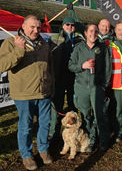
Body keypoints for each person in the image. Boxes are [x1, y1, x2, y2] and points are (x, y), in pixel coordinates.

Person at [0, 15, 53, 170]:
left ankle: (43, 150)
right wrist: (18, 50)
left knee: (45, 124)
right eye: (32, 27)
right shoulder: (11, 42)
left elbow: (49, 68)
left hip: (43, 93)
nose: (35, 30)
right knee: (26, 126)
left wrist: (52, 87)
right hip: (24, 94)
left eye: (38, 27)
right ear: (23, 26)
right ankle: (27, 155)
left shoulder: (44, 44)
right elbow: (2, 65)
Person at [68, 24, 111, 151]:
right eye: (91, 31)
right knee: (86, 115)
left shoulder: (103, 48)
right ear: (86, 33)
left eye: (96, 31)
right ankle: (89, 141)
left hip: (97, 87)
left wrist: (104, 85)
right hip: (81, 86)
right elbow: (70, 65)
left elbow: (108, 68)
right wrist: (82, 66)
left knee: (99, 114)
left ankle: (103, 140)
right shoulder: (78, 48)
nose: (93, 33)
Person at [48, 17, 84, 140]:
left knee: (73, 106)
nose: (69, 27)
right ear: (62, 26)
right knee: (57, 107)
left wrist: (72, 12)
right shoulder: (55, 39)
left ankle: (73, 133)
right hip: (59, 77)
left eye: (72, 25)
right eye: (67, 24)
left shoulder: (79, 39)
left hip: (74, 77)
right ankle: (54, 133)